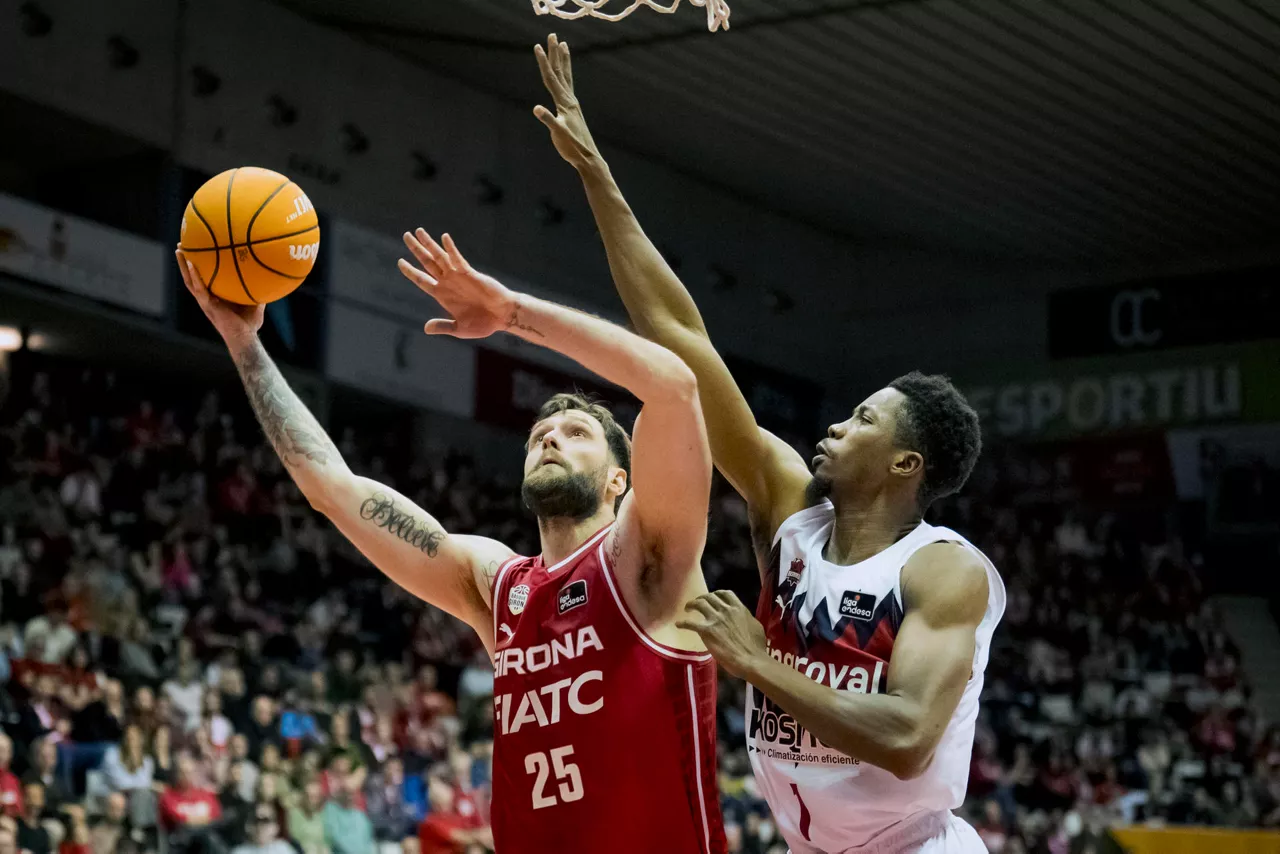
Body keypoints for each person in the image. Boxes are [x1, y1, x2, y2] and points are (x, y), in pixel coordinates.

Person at [535, 33, 1005, 854]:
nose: (836, 426)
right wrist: (596, 175)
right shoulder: (789, 507)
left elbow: (905, 739)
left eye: (864, 420)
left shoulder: (942, 571)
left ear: (906, 465)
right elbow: (681, 338)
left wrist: (759, 665)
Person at [175, 220, 725, 854]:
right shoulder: (495, 584)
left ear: (618, 480)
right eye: (539, 436)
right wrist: (243, 341)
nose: (550, 437)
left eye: (577, 434)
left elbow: (675, 388)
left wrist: (511, 313)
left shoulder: (648, 557)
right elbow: (331, 487)